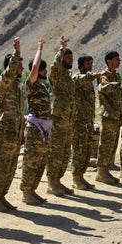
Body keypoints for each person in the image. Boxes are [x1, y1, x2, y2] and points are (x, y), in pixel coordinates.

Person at [0, 37, 24, 212]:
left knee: (10, 168)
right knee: (0, 166)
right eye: (19, 65)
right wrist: (17, 52)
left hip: (15, 133)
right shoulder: (2, 83)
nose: (22, 69)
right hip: (5, 132)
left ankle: (2, 196)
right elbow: (9, 73)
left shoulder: (17, 87)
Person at [95, 51, 122, 185]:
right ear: (109, 61)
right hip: (108, 116)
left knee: (112, 146)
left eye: (119, 59)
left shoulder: (117, 75)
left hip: (116, 116)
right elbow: (104, 87)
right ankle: (101, 172)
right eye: (116, 59)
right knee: (106, 145)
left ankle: (105, 171)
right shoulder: (104, 75)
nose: (119, 61)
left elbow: (119, 97)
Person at [70, 54, 108, 190]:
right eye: (88, 64)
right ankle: (75, 178)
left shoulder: (88, 82)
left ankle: (81, 176)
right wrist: (98, 74)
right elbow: (84, 77)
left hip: (88, 121)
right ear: (81, 65)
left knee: (86, 151)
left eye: (91, 64)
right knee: (78, 150)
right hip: (79, 121)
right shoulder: (77, 78)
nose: (90, 66)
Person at [20, 39, 51, 205]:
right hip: (34, 128)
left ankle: (32, 189)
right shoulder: (30, 84)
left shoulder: (43, 87)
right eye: (43, 69)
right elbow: (34, 67)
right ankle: (26, 192)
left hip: (44, 128)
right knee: (31, 159)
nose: (45, 72)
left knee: (40, 161)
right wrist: (40, 48)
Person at [46, 36, 75, 196]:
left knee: (64, 152)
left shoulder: (68, 77)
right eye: (67, 57)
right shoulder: (57, 75)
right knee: (56, 152)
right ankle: (51, 183)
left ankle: (58, 180)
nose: (70, 60)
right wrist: (61, 50)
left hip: (68, 120)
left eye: (71, 58)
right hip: (58, 120)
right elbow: (54, 66)